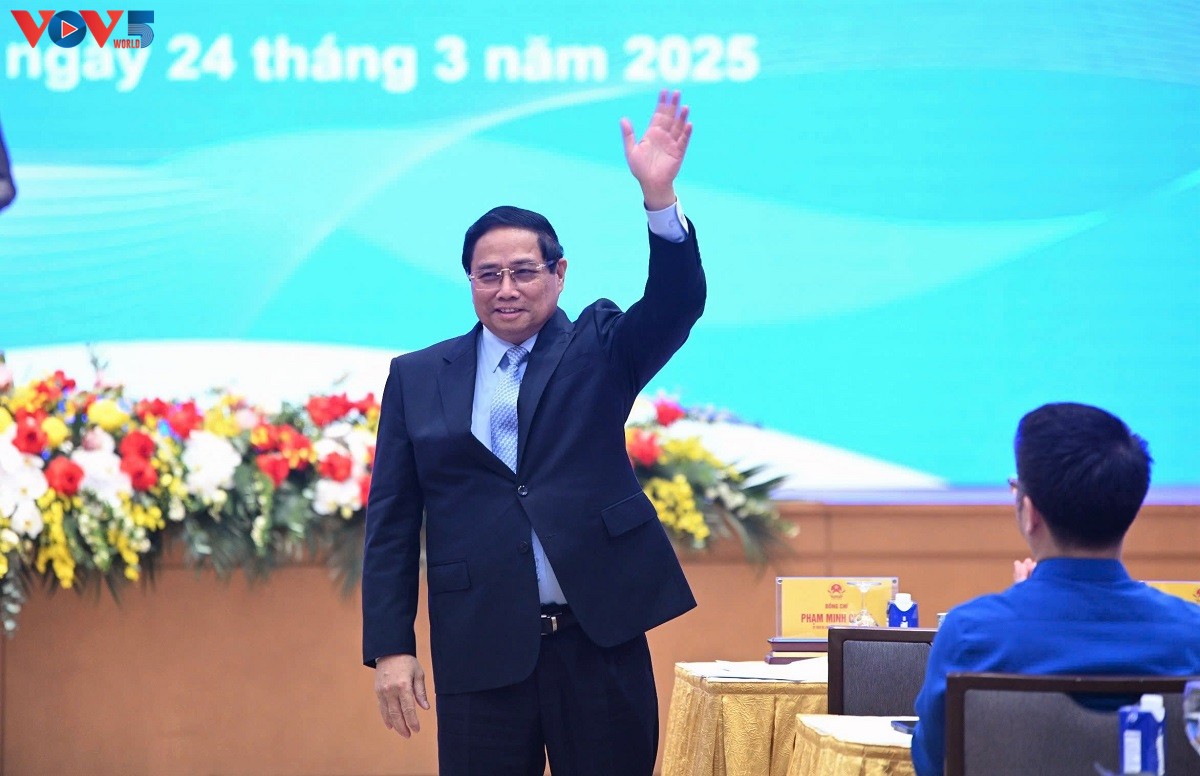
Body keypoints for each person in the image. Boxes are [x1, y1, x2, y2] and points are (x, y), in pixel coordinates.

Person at [362, 90, 704, 776]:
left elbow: (676, 304)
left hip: (597, 641)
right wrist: (391, 646)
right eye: (488, 275)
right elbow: (392, 523)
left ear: (559, 274)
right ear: (469, 281)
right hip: (480, 648)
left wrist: (659, 200)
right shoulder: (418, 377)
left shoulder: (600, 347)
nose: (506, 289)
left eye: (523, 272)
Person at [911, 402, 1200, 775]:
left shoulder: (971, 634)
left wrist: (1016, 615)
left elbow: (933, 764)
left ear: (1030, 512)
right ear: (1132, 507)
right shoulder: (1192, 634)